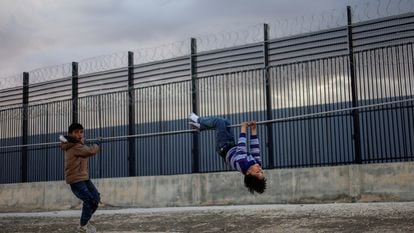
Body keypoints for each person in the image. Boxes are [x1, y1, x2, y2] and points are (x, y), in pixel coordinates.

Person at [189, 113, 266, 194]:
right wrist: (254, 129)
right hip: (231, 145)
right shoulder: (257, 164)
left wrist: (243, 129)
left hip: (223, 147)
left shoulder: (242, 164)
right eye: (262, 172)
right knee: (227, 122)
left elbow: (241, 148)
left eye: (257, 172)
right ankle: (201, 127)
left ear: (248, 173)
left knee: (219, 122)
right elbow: (255, 148)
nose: (260, 169)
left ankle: (198, 120)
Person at [60, 123, 101, 233]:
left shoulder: (77, 144)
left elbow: (83, 148)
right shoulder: (74, 146)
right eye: (76, 132)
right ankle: (83, 226)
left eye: (81, 132)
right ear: (70, 134)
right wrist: (97, 143)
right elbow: (90, 151)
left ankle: (87, 219)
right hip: (76, 179)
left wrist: (82, 142)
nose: (79, 134)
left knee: (96, 198)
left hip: (83, 177)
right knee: (89, 200)